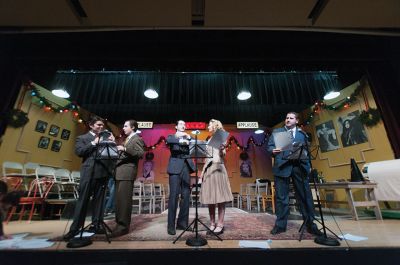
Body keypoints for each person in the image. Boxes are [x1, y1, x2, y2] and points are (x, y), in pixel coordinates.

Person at [267, 112, 323, 236]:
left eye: (291, 118)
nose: (288, 119)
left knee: (305, 196)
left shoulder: (302, 134)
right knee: (282, 198)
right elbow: (269, 147)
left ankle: (310, 224)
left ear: (296, 121)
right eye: (286, 117)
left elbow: (307, 152)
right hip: (282, 167)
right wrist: (273, 151)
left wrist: (307, 168)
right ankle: (280, 225)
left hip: (299, 167)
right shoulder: (277, 132)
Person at [63, 116, 116, 241]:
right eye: (98, 125)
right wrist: (93, 143)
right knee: (83, 201)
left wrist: (112, 143)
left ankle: (96, 224)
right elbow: (80, 152)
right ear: (91, 125)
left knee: (99, 201)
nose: (101, 127)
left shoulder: (106, 139)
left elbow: (112, 155)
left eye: (102, 125)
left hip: (102, 172)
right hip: (89, 172)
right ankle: (75, 228)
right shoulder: (83, 138)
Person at [111, 120, 145, 237]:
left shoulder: (137, 139)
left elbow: (140, 153)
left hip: (127, 173)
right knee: (119, 201)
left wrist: (124, 149)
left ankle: (123, 227)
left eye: (126, 126)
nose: (123, 128)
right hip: (120, 172)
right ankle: (118, 224)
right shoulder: (128, 139)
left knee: (124, 201)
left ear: (133, 127)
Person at [199, 119, 233, 235]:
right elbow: (206, 159)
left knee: (220, 199)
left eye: (209, 125)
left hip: (218, 168)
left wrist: (223, 148)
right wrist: (202, 174)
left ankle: (220, 224)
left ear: (214, 126)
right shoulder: (208, 140)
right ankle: (212, 223)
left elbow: (223, 154)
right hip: (208, 170)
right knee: (210, 199)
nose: (208, 127)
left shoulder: (220, 136)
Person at [166, 120, 195, 235]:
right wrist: (182, 137)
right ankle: (171, 225)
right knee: (174, 196)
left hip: (186, 168)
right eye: (181, 124)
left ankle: (182, 223)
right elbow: (169, 141)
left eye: (184, 125)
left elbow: (194, 142)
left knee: (186, 195)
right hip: (174, 168)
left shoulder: (189, 137)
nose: (184, 126)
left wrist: (188, 137)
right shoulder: (171, 136)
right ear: (176, 126)